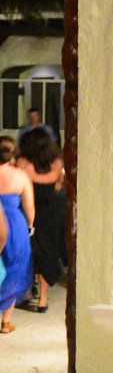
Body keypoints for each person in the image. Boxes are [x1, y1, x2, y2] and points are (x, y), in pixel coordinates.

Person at [16, 125, 65, 312]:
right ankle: (43, 300)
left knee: (28, 252)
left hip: (28, 212)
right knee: (48, 252)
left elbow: (19, 185)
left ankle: (28, 291)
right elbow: (59, 187)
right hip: (51, 214)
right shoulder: (56, 163)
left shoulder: (23, 163)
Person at [0, 138, 34, 333]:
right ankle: (6, 322)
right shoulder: (20, 176)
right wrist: (30, 225)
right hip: (14, 223)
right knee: (15, 267)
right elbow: (29, 207)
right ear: (13, 154)